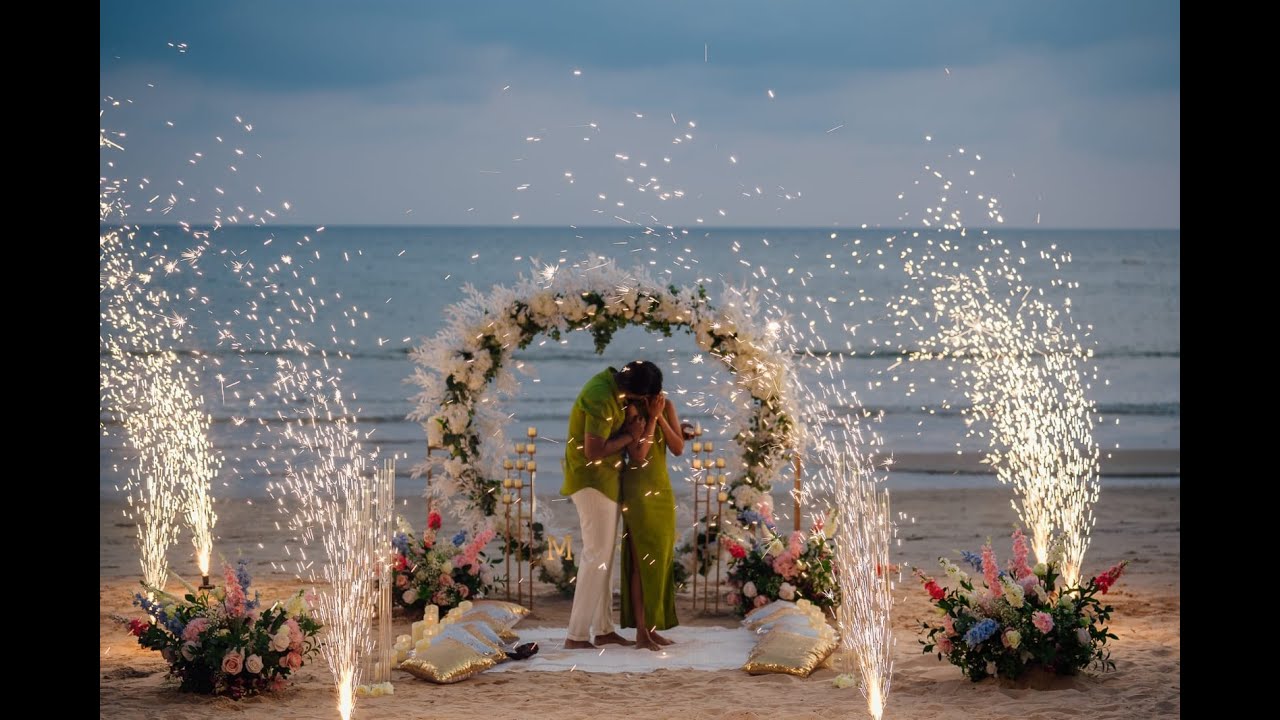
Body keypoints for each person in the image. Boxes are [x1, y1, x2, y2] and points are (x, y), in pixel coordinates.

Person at [561, 360, 662, 650]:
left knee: (604, 555)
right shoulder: (599, 396)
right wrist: (630, 435)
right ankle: (576, 635)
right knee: (595, 556)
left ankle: (603, 629)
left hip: (606, 480)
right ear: (633, 390)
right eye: (642, 398)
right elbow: (593, 451)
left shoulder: (614, 389)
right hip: (591, 481)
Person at [619, 362, 685, 651]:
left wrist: (662, 417)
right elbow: (640, 456)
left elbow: (678, 447)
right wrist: (653, 419)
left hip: (662, 490)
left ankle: (654, 626)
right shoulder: (629, 410)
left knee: (660, 560)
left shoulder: (666, 405)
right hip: (637, 492)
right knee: (640, 564)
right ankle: (641, 633)